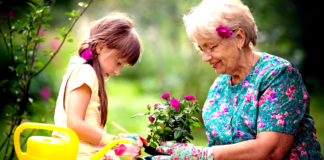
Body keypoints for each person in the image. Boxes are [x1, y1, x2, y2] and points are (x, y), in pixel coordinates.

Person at [151, 0, 323, 159]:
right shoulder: (218, 86)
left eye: (210, 47)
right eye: (201, 50)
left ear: (239, 37)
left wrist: (201, 154)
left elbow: (272, 150)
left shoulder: (278, 75)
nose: (205, 58)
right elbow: (218, 149)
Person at [52, 12, 144, 160]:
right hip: (79, 154)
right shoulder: (85, 72)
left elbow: (85, 125)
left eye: (123, 66)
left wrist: (117, 142)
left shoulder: (85, 71)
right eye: (118, 62)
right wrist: (114, 143)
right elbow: (74, 123)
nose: (118, 72)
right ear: (101, 47)